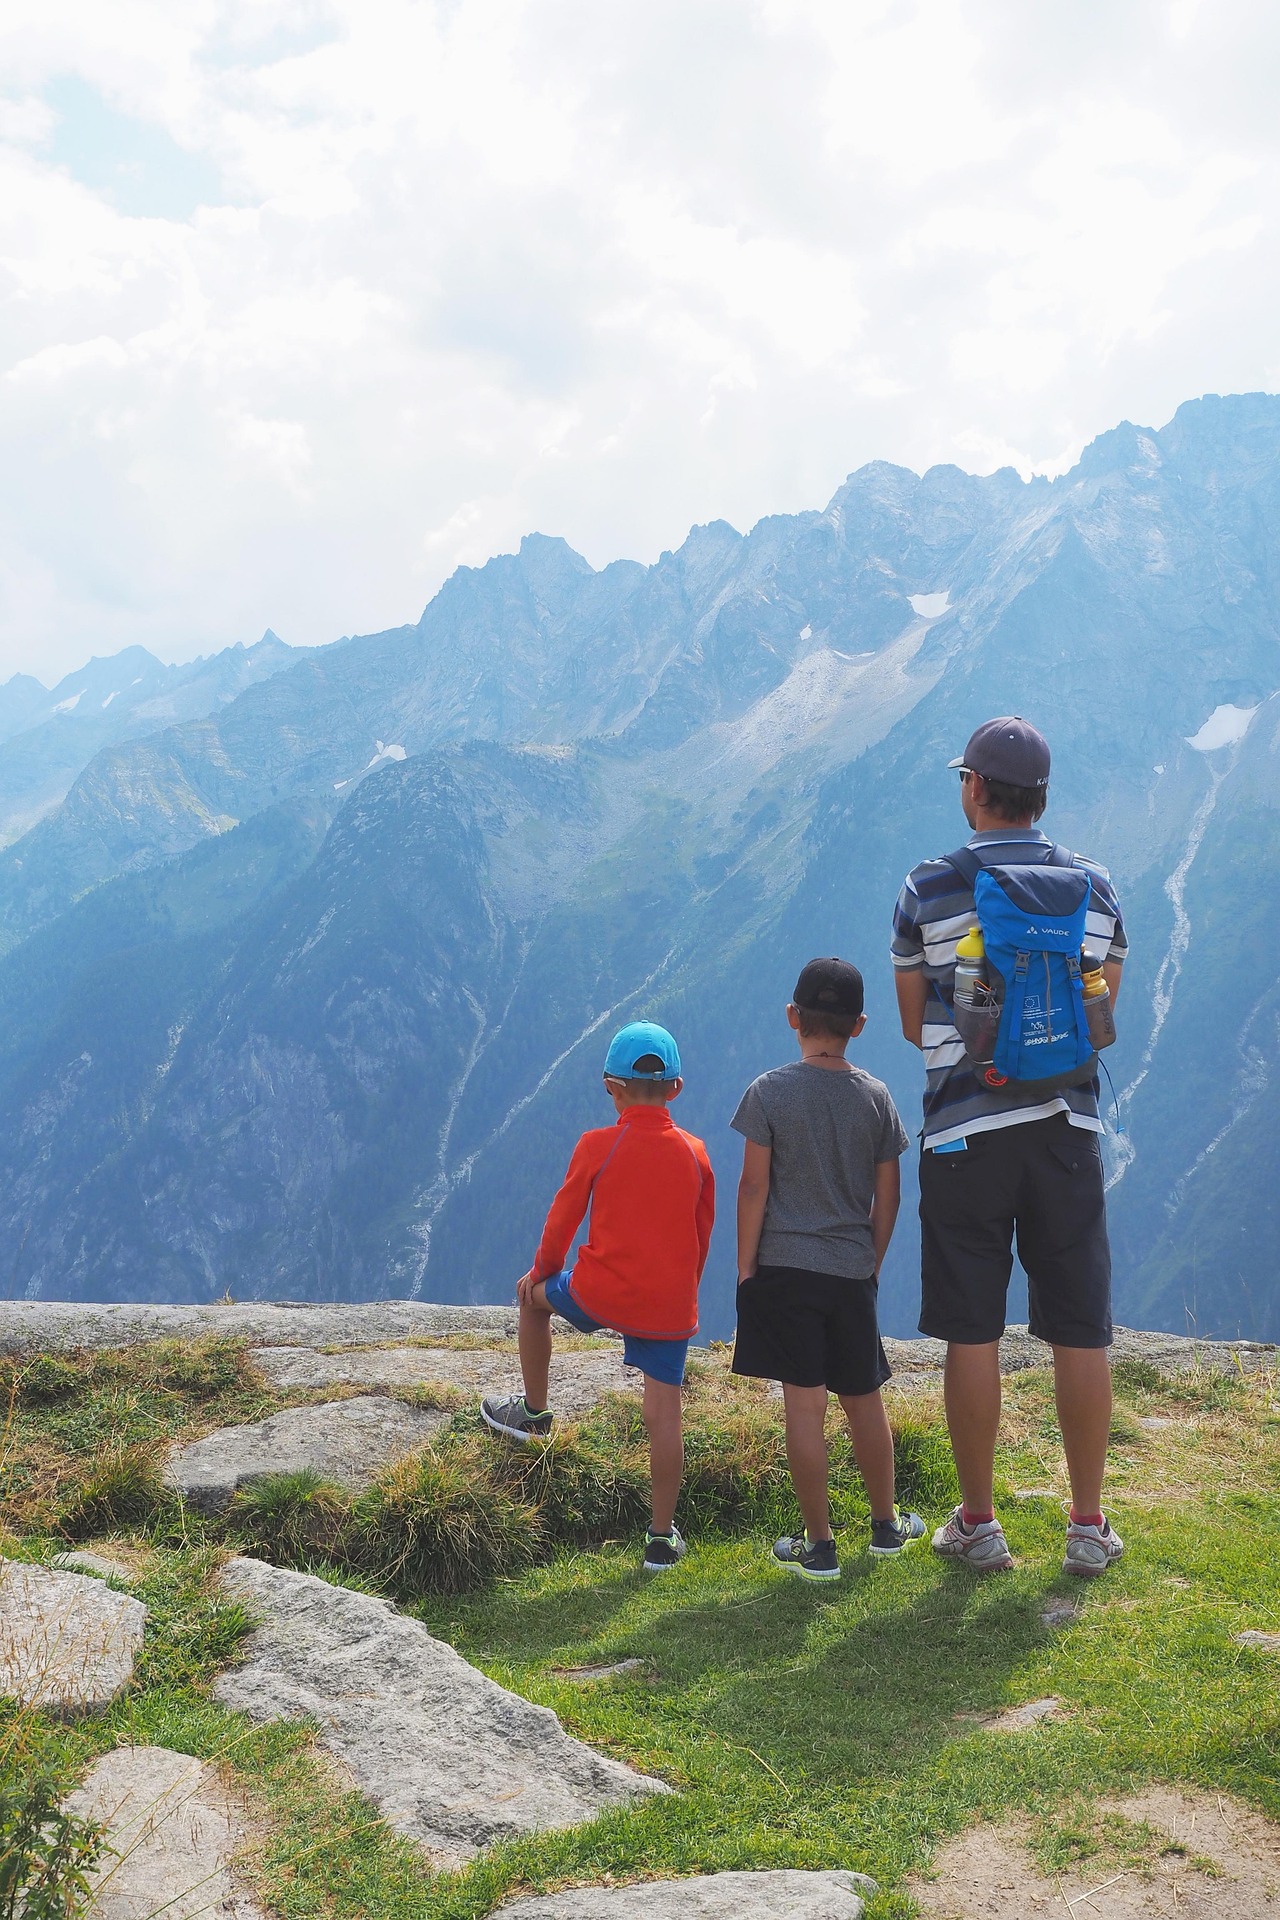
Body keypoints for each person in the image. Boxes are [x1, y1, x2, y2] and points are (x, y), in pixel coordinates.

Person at [892, 716, 1128, 1577]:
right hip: (1067, 1132)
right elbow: (1102, 1020)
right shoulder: (1095, 889)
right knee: (1079, 1331)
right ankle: (1087, 1526)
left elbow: (916, 1020)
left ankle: (979, 1523)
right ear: (1042, 797)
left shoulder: (930, 886)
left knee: (974, 1332)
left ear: (977, 790)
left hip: (964, 1133)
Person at [481, 1020, 714, 1572]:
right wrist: (680, 1296)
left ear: (611, 1085)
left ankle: (535, 1413)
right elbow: (701, 1237)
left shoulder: (597, 1145)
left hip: (597, 1291)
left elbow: (563, 1219)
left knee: (532, 1301)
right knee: (665, 1414)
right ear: (676, 1088)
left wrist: (539, 1275)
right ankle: (660, 1538)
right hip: (666, 1305)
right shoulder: (696, 1153)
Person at [731, 957, 924, 1580]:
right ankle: (887, 1526)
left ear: (793, 1017)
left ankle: (819, 1547)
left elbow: (752, 1188)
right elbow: (890, 1193)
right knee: (865, 1399)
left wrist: (745, 1268)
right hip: (849, 1271)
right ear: (860, 1025)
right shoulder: (875, 1097)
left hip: (784, 1268)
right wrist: (872, 1258)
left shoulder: (767, 1092)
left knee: (804, 1405)